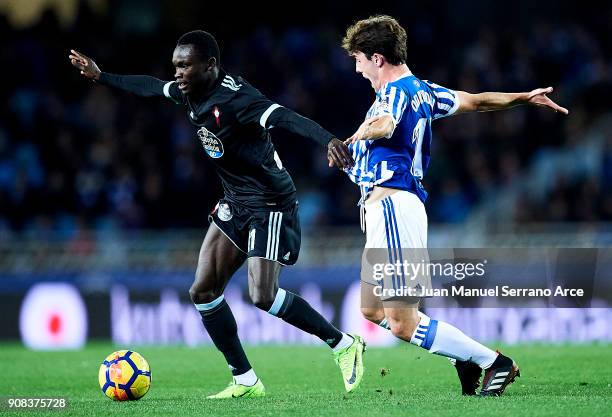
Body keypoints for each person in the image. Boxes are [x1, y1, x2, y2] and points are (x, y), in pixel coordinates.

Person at [69, 30, 364, 398]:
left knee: (263, 295)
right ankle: (245, 380)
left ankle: (343, 344)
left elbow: (287, 117)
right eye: (176, 65)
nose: (177, 73)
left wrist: (330, 141)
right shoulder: (189, 92)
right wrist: (102, 76)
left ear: (209, 65)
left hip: (270, 204)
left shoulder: (238, 99)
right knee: (203, 290)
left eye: (185, 66)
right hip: (235, 200)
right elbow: (149, 86)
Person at [339, 15, 568, 396]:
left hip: (394, 207)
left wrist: (365, 130)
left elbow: (386, 123)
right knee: (372, 311)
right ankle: (460, 355)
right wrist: (521, 97)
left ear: (377, 58)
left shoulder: (393, 94)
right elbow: (475, 101)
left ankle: (493, 362)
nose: (357, 67)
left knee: (401, 322)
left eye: (359, 58)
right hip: (381, 209)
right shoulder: (424, 91)